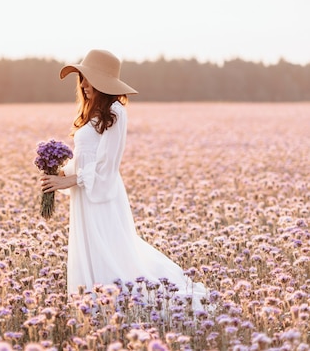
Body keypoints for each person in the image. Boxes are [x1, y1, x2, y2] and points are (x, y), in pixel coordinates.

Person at [40, 49, 207, 310]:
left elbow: (107, 164)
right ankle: (95, 308)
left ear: (103, 82)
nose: (83, 85)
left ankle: (120, 306)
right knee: (94, 248)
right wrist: (60, 172)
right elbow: (87, 156)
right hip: (85, 192)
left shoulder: (115, 111)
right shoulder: (92, 111)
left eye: (88, 79)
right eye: (82, 78)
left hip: (101, 194)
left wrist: (70, 181)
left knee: (109, 249)